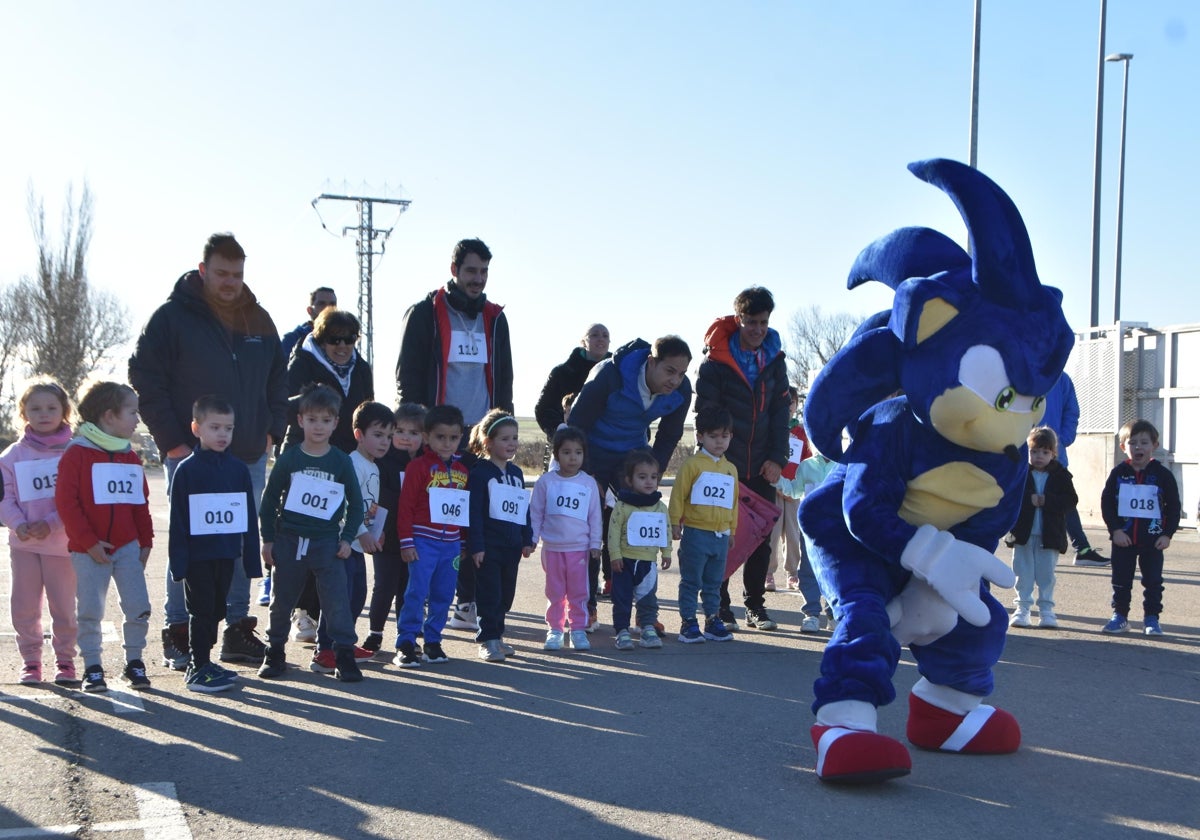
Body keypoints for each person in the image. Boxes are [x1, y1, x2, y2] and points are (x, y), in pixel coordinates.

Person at [129, 232, 286, 671]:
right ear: (203, 271)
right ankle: (179, 630)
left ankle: (237, 630)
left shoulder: (259, 320)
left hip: (249, 455)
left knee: (237, 543)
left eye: (237, 274)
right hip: (189, 458)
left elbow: (279, 380)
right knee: (190, 544)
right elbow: (144, 377)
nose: (230, 282)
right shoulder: (171, 319)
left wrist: (272, 429)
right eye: (221, 273)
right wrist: (172, 440)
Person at [395, 238, 513, 634]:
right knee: (429, 515)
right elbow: (407, 374)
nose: (477, 279)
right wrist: (415, 430)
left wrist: (502, 425)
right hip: (439, 432)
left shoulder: (495, 318)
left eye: (483, 272)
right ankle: (416, 602)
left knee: (472, 518)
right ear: (454, 270)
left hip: (479, 434)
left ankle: (466, 601)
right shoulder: (426, 312)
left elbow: (506, 377)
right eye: (471, 271)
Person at [569, 335, 693, 633]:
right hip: (592, 451)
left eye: (682, 373)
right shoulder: (609, 375)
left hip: (632, 456)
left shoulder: (682, 390)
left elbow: (668, 437)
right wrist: (586, 476)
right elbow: (576, 424)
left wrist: (651, 477)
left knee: (638, 529)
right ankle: (586, 607)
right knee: (592, 530)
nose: (675, 380)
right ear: (651, 362)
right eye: (669, 371)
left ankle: (644, 613)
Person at [695, 287, 790, 632]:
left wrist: (777, 457)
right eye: (751, 322)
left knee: (760, 537)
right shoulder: (716, 361)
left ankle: (755, 606)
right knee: (721, 535)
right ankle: (719, 605)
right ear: (739, 320)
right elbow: (705, 412)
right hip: (725, 464)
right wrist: (715, 459)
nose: (758, 330)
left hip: (763, 463)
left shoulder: (775, 359)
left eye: (764, 322)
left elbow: (781, 412)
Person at [257, 384, 365, 682]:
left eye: (326, 420)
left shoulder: (340, 461)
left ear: (336, 423)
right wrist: (267, 539)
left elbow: (355, 504)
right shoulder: (290, 458)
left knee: (336, 601)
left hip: (327, 543)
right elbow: (269, 501)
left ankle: (343, 655)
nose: (319, 426)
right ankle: (275, 652)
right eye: (313, 419)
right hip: (289, 540)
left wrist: (347, 538)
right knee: (282, 601)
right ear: (300, 420)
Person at [54, 382, 154, 693]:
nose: (138, 419)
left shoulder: (130, 457)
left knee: (138, 605)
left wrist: (146, 541)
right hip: (88, 550)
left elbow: (140, 502)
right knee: (90, 610)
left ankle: (135, 662)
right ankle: (93, 667)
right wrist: (89, 543)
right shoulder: (77, 453)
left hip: (127, 548)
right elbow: (66, 504)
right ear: (109, 416)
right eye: (132, 412)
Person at [167, 396, 261, 693]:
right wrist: (179, 563)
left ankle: (205, 660)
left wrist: (250, 561)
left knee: (218, 609)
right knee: (202, 610)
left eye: (229, 428)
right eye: (215, 427)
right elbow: (178, 520)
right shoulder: (187, 470)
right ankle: (197, 666)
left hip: (227, 554)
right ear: (197, 428)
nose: (223, 434)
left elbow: (247, 517)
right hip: (198, 558)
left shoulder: (237, 470)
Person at [1, 379, 77, 685]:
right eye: (35, 408)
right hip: (24, 546)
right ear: (23, 413)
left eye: (51, 408)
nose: (43, 413)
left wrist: (51, 522)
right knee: (24, 605)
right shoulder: (11, 456)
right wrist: (18, 524)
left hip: (62, 546)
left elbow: (78, 498)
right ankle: (31, 661)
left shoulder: (74, 452)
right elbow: (3, 497)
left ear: (64, 411)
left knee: (64, 607)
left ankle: (65, 661)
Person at [308, 401, 392, 674]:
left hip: (357, 544)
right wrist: (361, 532)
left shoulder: (374, 467)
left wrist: (375, 533)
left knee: (356, 595)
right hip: (341, 542)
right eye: (378, 435)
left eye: (389, 437)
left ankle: (344, 643)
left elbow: (369, 506)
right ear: (359, 434)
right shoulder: (351, 464)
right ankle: (324, 650)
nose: (385, 442)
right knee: (338, 597)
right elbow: (347, 504)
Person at [394, 404, 470, 668]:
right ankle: (406, 641)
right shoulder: (418, 467)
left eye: (453, 437)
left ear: (461, 436)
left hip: (450, 546)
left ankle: (433, 641)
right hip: (422, 541)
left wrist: (461, 542)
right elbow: (406, 506)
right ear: (427, 437)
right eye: (440, 437)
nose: (447, 443)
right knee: (417, 591)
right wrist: (406, 541)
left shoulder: (462, 470)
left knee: (444, 594)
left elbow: (461, 510)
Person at [1099, 419, 1180, 636]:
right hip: (1123, 539)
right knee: (1121, 581)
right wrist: (1115, 530)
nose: (1138, 447)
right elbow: (1107, 503)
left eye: (1144, 442)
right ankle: (1120, 616)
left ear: (1154, 445)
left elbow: (1173, 506)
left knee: (1153, 581)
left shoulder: (1163, 475)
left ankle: (1152, 618)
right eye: (1132, 443)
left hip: (1152, 540)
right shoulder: (1118, 473)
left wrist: (1167, 534)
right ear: (1123, 447)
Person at [467, 409, 535, 662]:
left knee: (506, 594)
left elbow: (522, 509)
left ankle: (499, 635)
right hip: (488, 546)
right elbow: (473, 512)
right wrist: (477, 545)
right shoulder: (480, 473)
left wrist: (526, 538)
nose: (512, 443)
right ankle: (488, 639)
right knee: (490, 593)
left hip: (512, 546)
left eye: (515, 438)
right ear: (488, 442)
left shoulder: (516, 474)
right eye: (505, 438)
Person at [670, 406, 740, 644]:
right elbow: (678, 494)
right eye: (713, 436)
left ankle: (712, 619)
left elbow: (733, 503)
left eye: (725, 436)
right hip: (696, 532)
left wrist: (732, 529)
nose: (719, 442)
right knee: (691, 580)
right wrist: (674, 522)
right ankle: (688, 622)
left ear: (731, 436)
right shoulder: (693, 465)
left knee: (714, 582)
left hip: (720, 535)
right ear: (700, 436)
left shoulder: (731, 469)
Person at [530, 426, 603, 652]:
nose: (573, 457)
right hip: (552, 548)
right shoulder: (546, 482)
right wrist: (532, 538)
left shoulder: (588, 483)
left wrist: (594, 543)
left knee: (579, 591)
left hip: (579, 549)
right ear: (556, 455)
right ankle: (555, 629)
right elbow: (536, 512)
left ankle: (578, 629)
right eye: (567, 452)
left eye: (578, 452)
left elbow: (595, 516)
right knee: (555, 591)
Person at [361, 403, 425, 653]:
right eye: (400, 431)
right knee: (384, 586)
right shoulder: (382, 463)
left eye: (414, 433)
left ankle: (406, 636)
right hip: (386, 539)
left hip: (415, 540)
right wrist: (374, 530)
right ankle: (375, 634)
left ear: (424, 437)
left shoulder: (425, 465)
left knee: (408, 589)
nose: (406, 438)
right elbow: (375, 501)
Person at [1004, 427, 1077, 630]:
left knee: (1046, 575)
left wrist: (1047, 501)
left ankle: (1046, 610)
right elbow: (1009, 495)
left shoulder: (1061, 475)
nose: (1039, 456)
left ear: (1053, 454)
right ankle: (1023, 609)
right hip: (1023, 534)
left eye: (1045, 452)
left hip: (1050, 535)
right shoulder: (1020, 473)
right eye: (1034, 451)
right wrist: (1029, 499)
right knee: (1023, 573)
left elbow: (1071, 501)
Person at [1041, 373, 1109, 567]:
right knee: (1013, 499)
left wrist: (1062, 439)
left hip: (1055, 453)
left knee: (1066, 500)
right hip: (1022, 453)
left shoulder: (1061, 378)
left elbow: (1071, 410)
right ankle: (982, 551)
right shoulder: (1019, 368)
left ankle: (1083, 549)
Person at [284, 308, 374, 454]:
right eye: (334, 340)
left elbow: (368, 413)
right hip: (306, 454)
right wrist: (313, 397)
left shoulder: (362, 368)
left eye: (349, 339)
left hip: (348, 456)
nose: (342, 346)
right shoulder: (303, 363)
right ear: (322, 341)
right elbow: (285, 410)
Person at [607, 449, 672, 651]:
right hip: (624, 561)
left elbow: (666, 529)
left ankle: (647, 627)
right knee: (622, 598)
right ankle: (622, 631)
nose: (649, 482)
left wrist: (667, 552)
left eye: (653, 477)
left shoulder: (659, 506)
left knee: (648, 597)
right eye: (642, 477)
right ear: (629, 479)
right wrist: (615, 555)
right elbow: (613, 531)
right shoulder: (622, 505)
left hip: (647, 562)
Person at [773, 445, 838, 633]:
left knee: (834, 573)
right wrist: (778, 481)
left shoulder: (843, 464)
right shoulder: (806, 465)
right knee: (809, 571)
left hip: (835, 531)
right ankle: (811, 614)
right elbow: (794, 490)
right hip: (811, 530)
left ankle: (834, 614)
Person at [534, 323, 612, 439]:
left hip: (610, 445)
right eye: (594, 335)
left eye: (605, 336)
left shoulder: (619, 374)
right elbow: (543, 409)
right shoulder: (562, 373)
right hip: (570, 448)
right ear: (583, 342)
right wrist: (561, 433)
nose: (601, 339)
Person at [767, 387, 807, 591]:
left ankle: (793, 572)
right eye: (786, 402)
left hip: (794, 492)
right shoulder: (772, 429)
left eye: (792, 402)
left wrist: (797, 487)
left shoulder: (801, 432)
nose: (789, 407)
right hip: (774, 487)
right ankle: (768, 573)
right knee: (772, 534)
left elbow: (806, 462)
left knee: (793, 535)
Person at [281, 287, 337, 361]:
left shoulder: (345, 340)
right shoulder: (292, 339)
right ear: (310, 310)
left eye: (332, 304)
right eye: (321, 304)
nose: (328, 308)